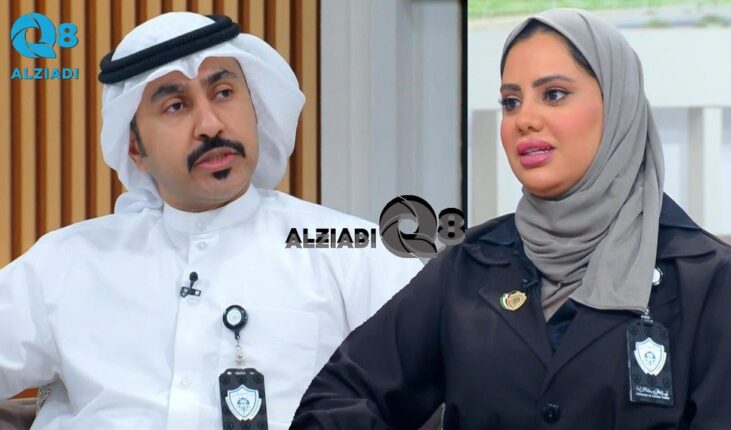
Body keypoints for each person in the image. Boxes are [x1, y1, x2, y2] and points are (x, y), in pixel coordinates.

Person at [291, 8, 731, 429]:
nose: (524, 119)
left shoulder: (706, 278)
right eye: (511, 102)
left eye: (554, 94)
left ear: (618, 106)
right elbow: (336, 398)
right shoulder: (470, 265)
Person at [0, 12, 422, 429]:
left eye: (223, 93)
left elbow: (441, 371)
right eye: (176, 105)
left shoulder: (350, 249)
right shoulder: (68, 262)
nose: (210, 125)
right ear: (135, 149)